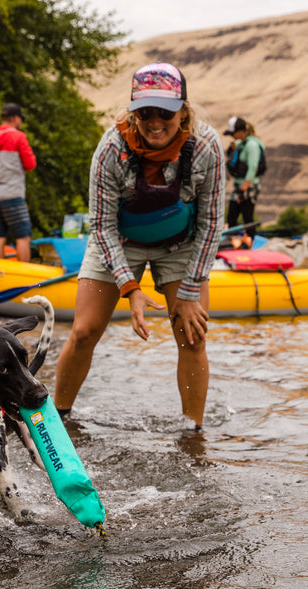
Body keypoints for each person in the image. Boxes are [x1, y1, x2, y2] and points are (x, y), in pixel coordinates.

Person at [53, 62, 225, 431]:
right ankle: (59, 419)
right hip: (118, 241)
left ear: (184, 110)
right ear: (134, 112)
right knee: (84, 332)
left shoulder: (207, 146)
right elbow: (100, 225)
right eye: (145, 112)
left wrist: (192, 290)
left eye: (166, 112)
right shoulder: (111, 148)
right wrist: (129, 287)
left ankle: (192, 434)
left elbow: (212, 224)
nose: (156, 121)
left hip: (181, 245)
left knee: (193, 338)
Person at [0, 102, 37, 262]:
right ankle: (25, 275)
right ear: (16, 118)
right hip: (11, 193)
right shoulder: (18, 136)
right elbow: (30, 164)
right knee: (23, 235)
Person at [224, 116, 264, 245]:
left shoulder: (252, 145)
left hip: (248, 185)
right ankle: (231, 241)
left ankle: (251, 242)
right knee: (232, 215)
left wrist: (245, 186)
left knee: (247, 216)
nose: (232, 136)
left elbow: (253, 166)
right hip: (239, 184)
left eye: (233, 133)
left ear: (240, 131)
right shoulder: (241, 144)